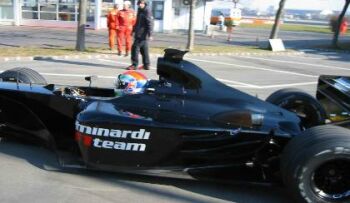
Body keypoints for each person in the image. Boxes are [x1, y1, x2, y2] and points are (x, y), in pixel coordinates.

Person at [126, 0, 153, 70]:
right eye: (139, 3)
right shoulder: (140, 10)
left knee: (134, 48)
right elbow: (137, 21)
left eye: (141, 3)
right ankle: (146, 65)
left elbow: (149, 23)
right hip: (139, 32)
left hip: (143, 34)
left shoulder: (147, 11)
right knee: (144, 49)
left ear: (144, 3)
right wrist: (133, 30)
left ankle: (134, 65)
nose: (140, 5)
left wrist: (150, 34)